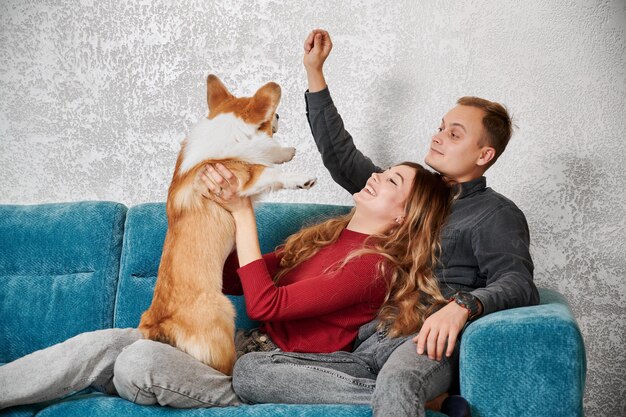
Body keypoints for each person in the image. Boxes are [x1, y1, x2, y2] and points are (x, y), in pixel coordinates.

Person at [230, 29, 539, 417]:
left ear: (484, 154)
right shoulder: (407, 193)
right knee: (251, 372)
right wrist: (315, 73)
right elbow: (342, 159)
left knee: (398, 383)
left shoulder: (494, 213)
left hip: (424, 336)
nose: (439, 136)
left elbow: (517, 282)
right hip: (369, 341)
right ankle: (426, 405)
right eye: (441, 126)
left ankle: (406, 396)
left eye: (455, 134)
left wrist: (462, 306)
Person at [0, 161, 454, 410]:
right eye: (385, 170)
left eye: (392, 180)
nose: (376, 175)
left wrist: (243, 211)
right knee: (107, 343)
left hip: (270, 372)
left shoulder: (372, 266)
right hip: (230, 348)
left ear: (403, 215)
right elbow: (227, 277)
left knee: (137, 362)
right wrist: (210, 208)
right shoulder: (328, 238)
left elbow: (265, 302)